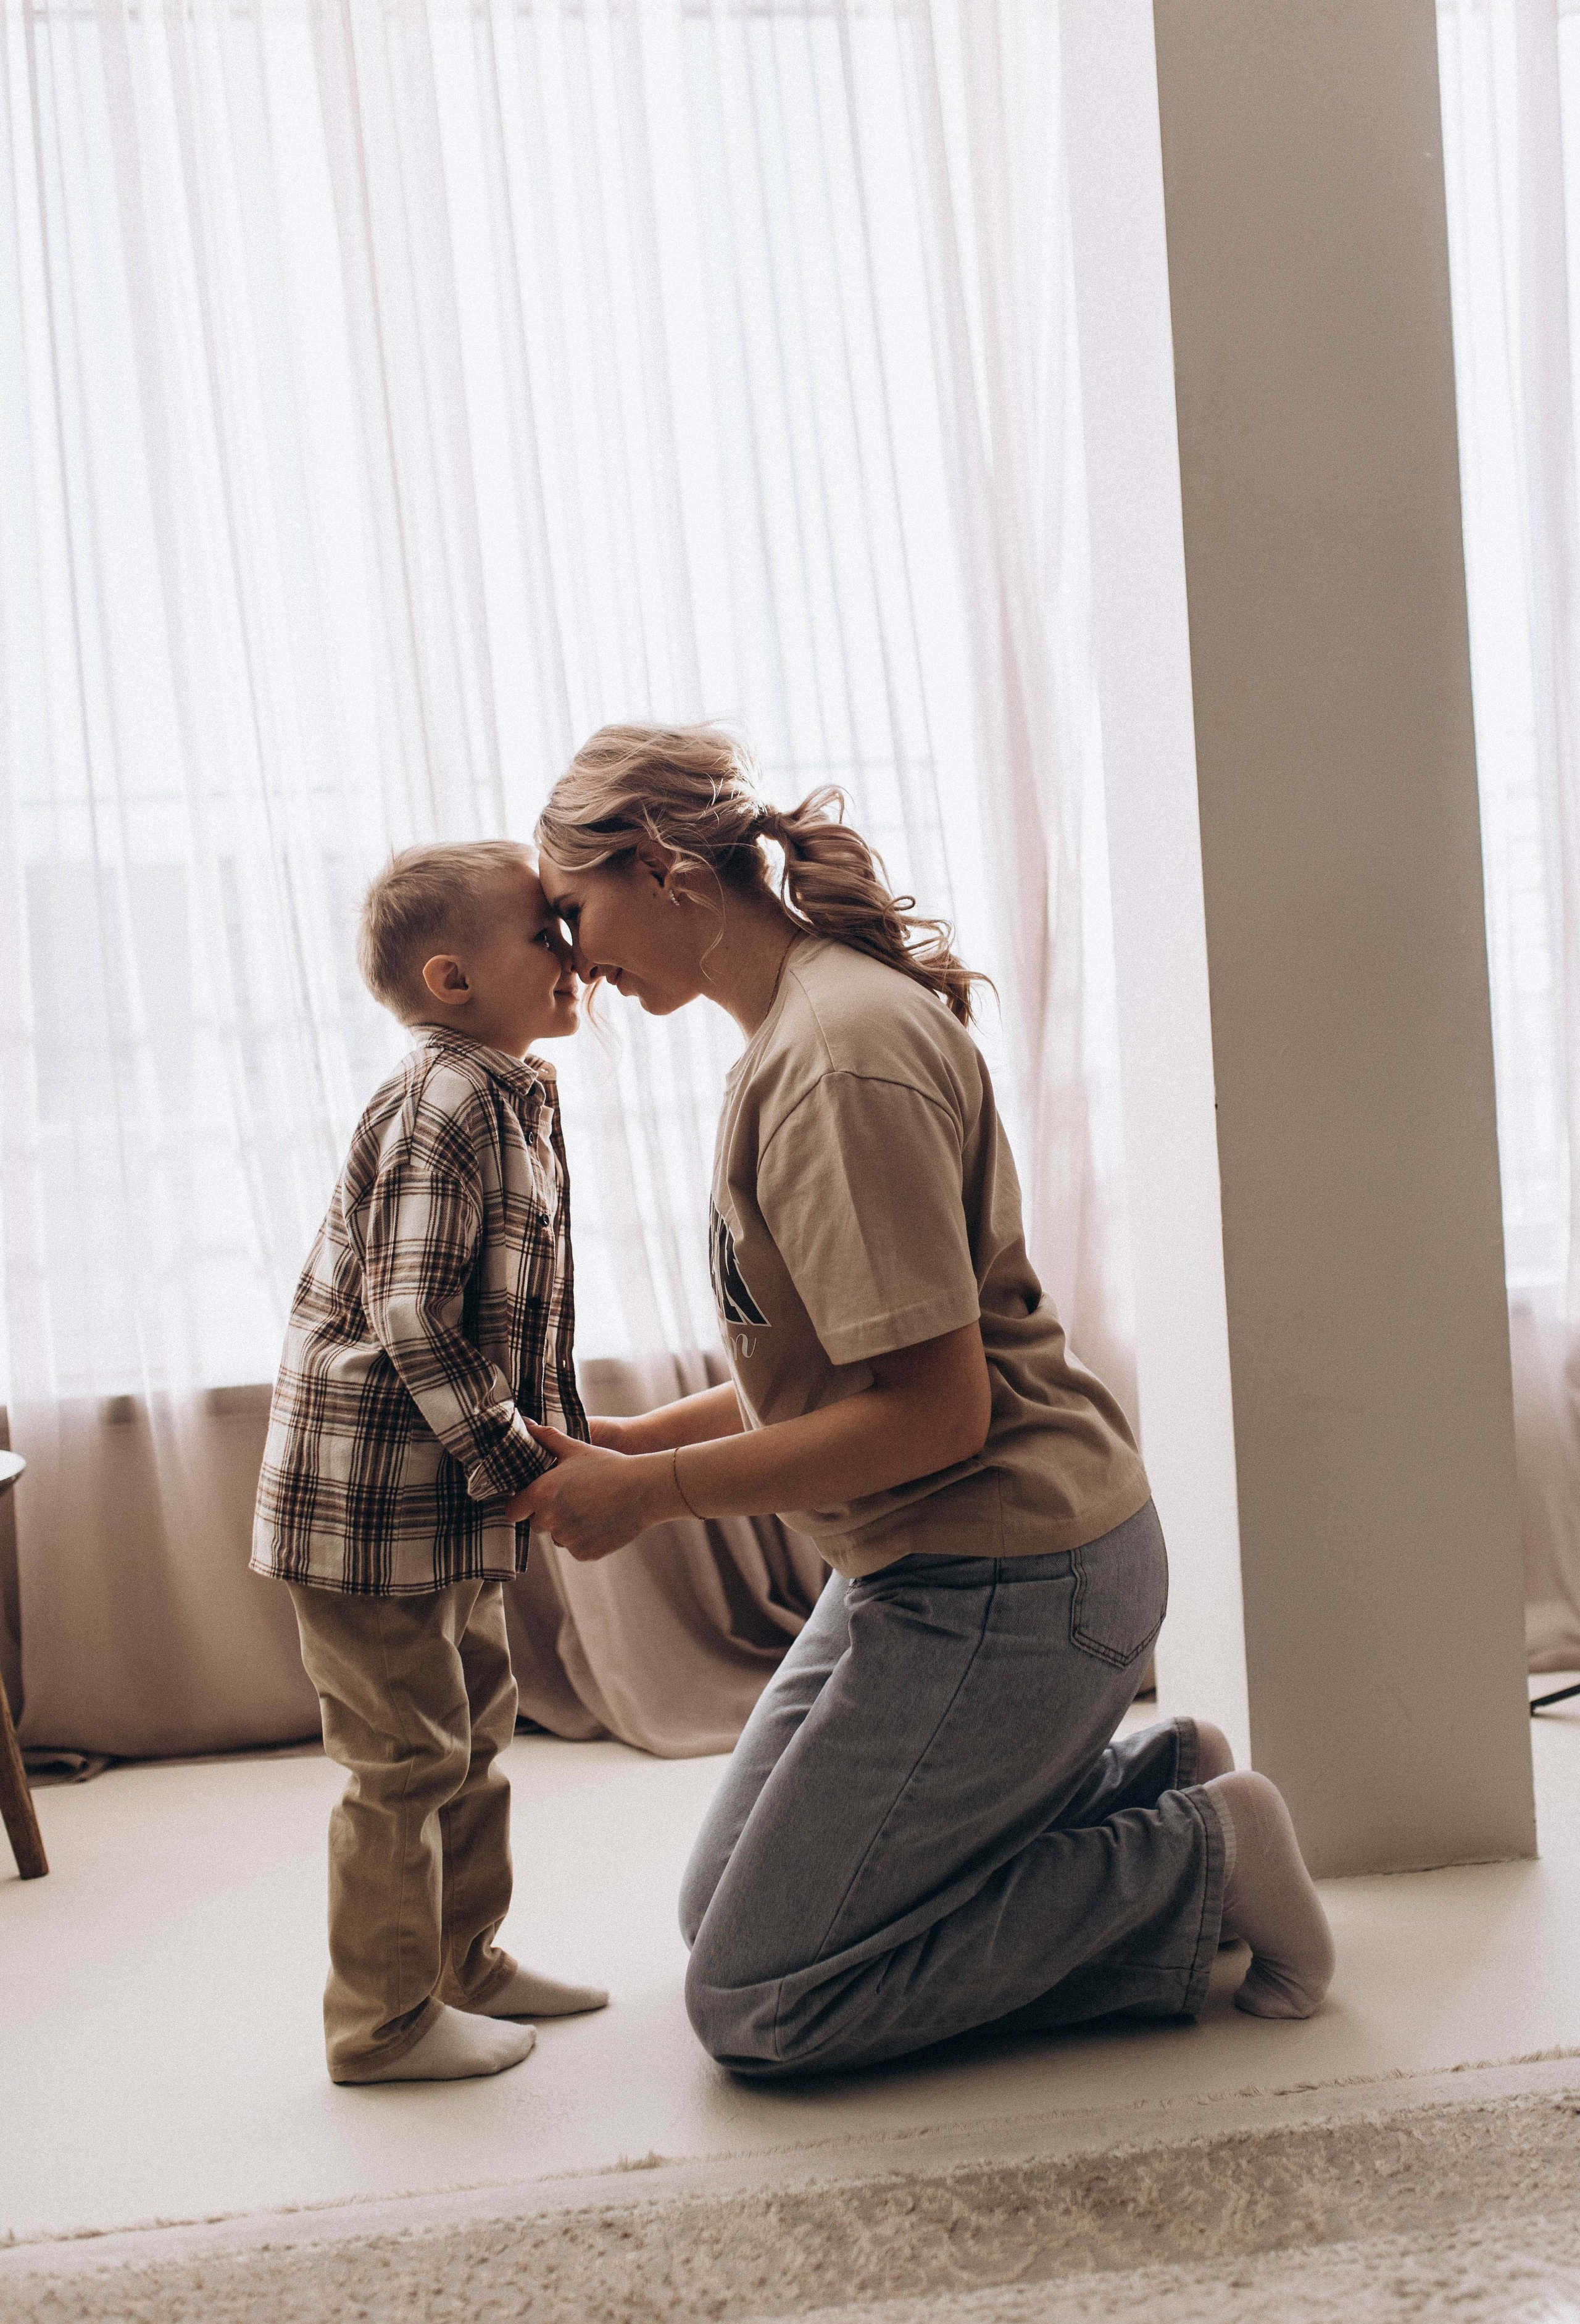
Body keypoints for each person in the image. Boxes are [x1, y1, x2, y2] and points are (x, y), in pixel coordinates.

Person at [513, 722, 1336, 2080]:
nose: (569, 955)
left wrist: (649, 1497)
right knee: (717, 1917)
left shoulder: (836, 1059)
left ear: (662, 868)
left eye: (569, 907)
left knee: (759, 2004)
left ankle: (1196, 1859)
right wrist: (626, 1443)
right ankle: (1157, 1774)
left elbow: (935, 1418)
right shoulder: (797, 1029)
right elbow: (831, 1369)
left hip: (1010, 1571)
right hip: (923, 1565)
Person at [252, 841, 609, 2085]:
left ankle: (462, 1960)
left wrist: (553, 1438)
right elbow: (413, 1313)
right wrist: (521, 1461)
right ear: (453, 979)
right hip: (369, 1507)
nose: (575, 954)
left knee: (472, 1728)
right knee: (402, 1758)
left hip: (442, 1501)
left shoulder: (511, 1093)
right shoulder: (444, 1103)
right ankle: (381, 2022)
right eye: (543, 935)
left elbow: (520, 1312)